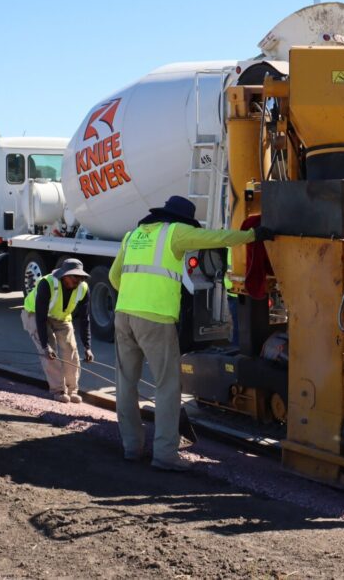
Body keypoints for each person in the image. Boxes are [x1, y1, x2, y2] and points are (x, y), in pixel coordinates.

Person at [109, 195, 273, 471]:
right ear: (181, 219)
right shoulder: (175, 232)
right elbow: (217, 238)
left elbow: (115, 277)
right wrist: (253, 235)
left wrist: (133, 294)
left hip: (123, 315)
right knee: (167, 386)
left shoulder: (132, 236)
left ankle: (132, 447)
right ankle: (164, 455)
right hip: (155, 318)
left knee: (125, 384)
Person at [22, 258, 93, 404]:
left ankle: (72, 390)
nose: (78, 281)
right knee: (50, 353)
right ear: (64, 275)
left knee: (70, 349)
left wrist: (87, 347)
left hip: (61, 317)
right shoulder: (47, 284)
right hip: (35, 314)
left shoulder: (83, 288)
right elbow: (40, 318)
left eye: (81, 277)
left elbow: (85, 318)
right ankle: (58, 390)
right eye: (75, 277)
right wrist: (45, 345)